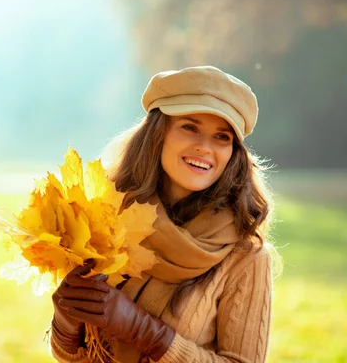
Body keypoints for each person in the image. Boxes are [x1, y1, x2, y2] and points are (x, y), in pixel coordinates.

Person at [49, 66, 277, 362]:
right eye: (190, 127)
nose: (204, 147)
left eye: (222, 137)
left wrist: (145, 332)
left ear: (233, 152)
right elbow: (74, 357)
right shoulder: (104, 222)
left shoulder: (246, 256)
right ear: (158, 134)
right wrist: (66, 326)